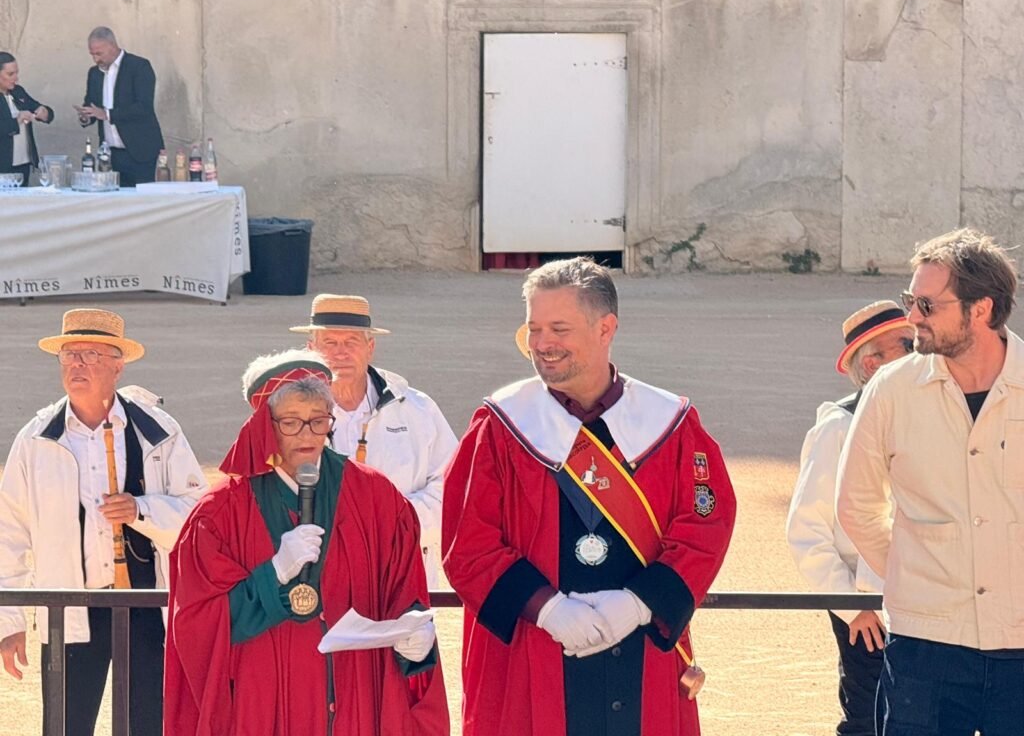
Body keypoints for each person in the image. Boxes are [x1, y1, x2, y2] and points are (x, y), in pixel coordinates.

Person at [443, 257, 736, 736]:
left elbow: (705, 526)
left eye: (559, 328)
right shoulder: (501, 427)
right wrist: (546, 608)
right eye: (534, 329)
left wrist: (641, 603)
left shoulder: (670, 424)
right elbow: (468, 543)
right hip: (534, 651)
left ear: (606, 328)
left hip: (641, 649)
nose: (542, 343)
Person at [164, 349, 449, 735]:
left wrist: (417, 641)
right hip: (263, 704)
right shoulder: (220, 513)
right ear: (264, 426)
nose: (308, 434)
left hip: (357, 697)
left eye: (318, 420)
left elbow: (404, 592)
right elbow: (197, 626)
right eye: (291, 422)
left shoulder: (376, 497)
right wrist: (273, 574)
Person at [837, 228, 1023, 736]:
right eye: (909, 301)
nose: (912, 317)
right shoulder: (892, 390)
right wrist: (914, 573)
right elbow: (855, 504)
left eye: (926, 305)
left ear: (981, 309)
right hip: (925, 647)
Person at [0, 308, 207, 736]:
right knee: (66, 725)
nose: (77, 364)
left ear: (118, 365)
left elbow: (198, 514)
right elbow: (8, 533)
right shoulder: (36, 439)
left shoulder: (159, 432)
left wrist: (140, 510)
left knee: (146, 724)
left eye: (91, 355)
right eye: (69, 355)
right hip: (69, 608)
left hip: (147, 606)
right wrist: (10, 622)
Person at [786, 300, 914, 736]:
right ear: (873, 363)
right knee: (867, 719)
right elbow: (806, 530)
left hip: (925, 599)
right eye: (907, 345)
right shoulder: (837, 427)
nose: (921, 351)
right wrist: (851, 606)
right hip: (867, 608)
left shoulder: (926, 415)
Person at [290, 294, 457, 588]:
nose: (340, 353)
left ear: (370, 348)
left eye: (351, 342)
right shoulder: (287, 414)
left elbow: (454, 486)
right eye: (329, 342)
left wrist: (392, 522)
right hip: (319, 578)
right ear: (311, 349)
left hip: (403, 573)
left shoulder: (416, 409)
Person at [75, 27, 164, 186]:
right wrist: (86, 116)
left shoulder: (139, 66)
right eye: (92, 54)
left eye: (99, 53)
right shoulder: (94, 73)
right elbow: (91, 104)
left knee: (142, 197)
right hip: (110, 154)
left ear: (112, 46)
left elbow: (144, 107)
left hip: (139, 150)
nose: (95, 59)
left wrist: (107, 114)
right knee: (114, 197)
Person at [0, 51, 54, 186]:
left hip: (23, 163)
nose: (16, 78)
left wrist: (44, 112)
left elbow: (37, 107)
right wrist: (17, 120)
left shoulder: (18, 91)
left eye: (16, 73)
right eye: (10, 74)